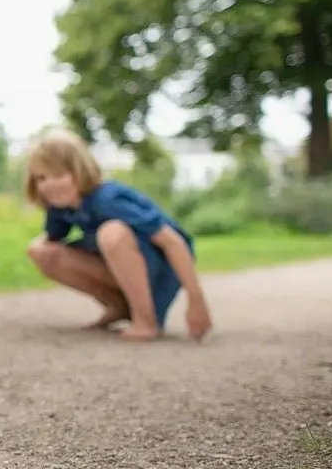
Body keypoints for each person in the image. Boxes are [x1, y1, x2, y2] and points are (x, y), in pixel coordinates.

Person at [24, 129, 213, 341]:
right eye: (41, 178)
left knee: (112, 233)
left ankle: (146, 321)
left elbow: (173, 242)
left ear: (80, 170)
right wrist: (36, 247)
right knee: (42, 252)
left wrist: (196, 301)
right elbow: (51, 239)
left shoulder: (107, 199)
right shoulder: (60, 206)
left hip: (162, 267)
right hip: (124, 266)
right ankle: (120, 307)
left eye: (59, 175)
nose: (49, 184)